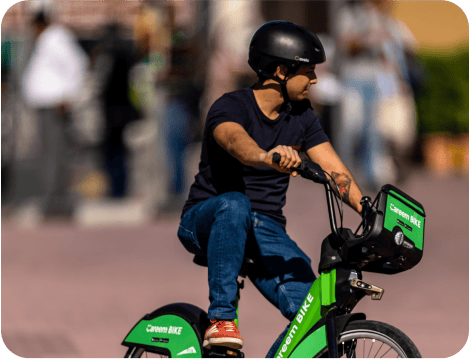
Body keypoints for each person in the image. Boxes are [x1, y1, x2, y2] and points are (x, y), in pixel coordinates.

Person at [177, 21, 365, 357]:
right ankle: (221, 318)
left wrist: (369, 210)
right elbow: (234, 141)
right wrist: (266, 156)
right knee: (234, 203)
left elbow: (335, 171)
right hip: (207, 218)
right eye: (308, 71)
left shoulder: (303, 116)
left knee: (315, 314)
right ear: (280, 70)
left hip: (264, 228)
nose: (315, 79)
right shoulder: (231, 106)